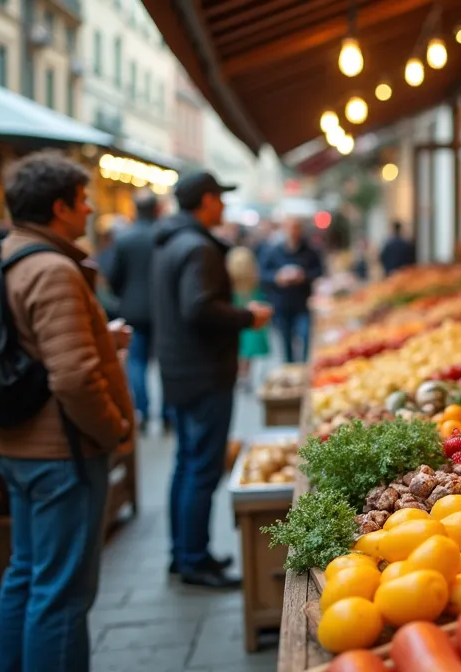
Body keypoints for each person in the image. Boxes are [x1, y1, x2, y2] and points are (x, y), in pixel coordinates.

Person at [0, 151, 134, 672]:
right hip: (61, 453)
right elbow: (71, 376)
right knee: (62, 594)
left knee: (25, 575)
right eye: (82, 198)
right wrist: (113, 428)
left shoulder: (9, 254)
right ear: (59, 207)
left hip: (16, 446)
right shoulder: (51, 269)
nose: (91, 208)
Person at [153, 172, 270, 588]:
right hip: (202, 373)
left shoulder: (171, 243)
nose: (223, 206)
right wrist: (247, 317)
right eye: (219, 198)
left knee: (187, 463)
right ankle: (194, 559)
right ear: (205, 200)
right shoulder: (198, 247)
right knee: (201, 467)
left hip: (181, 370)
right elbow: (199, 307)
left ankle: (182, 552)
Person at [105, 192, 169, 432]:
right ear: (157, 209)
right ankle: (166, 414)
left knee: (137, 362)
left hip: (133, 308)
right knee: (163, 362)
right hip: (162, 309)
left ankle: (141, 411)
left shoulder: (125, 239)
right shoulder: (163, 236)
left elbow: (113, 277)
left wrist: (123, 295)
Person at [258, 218, 323, 364]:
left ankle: (303, 366)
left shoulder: (309, 251)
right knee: (286, 342)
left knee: (305, 336)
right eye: (290, 227)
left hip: (302, 303)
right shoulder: (273, 251)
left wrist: (303, 276)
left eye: (297, 228)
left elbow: (319, 270)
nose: (294, 231)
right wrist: (277, 277)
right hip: (282, 304)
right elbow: (262, 274)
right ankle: (291, 369)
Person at [229, 246, 270, 388]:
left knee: (244, 350)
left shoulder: (235, 283)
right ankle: (245, 374)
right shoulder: (252, 280)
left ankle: (244, 374)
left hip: (244, 321)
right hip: (248, 320)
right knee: (247, 350)